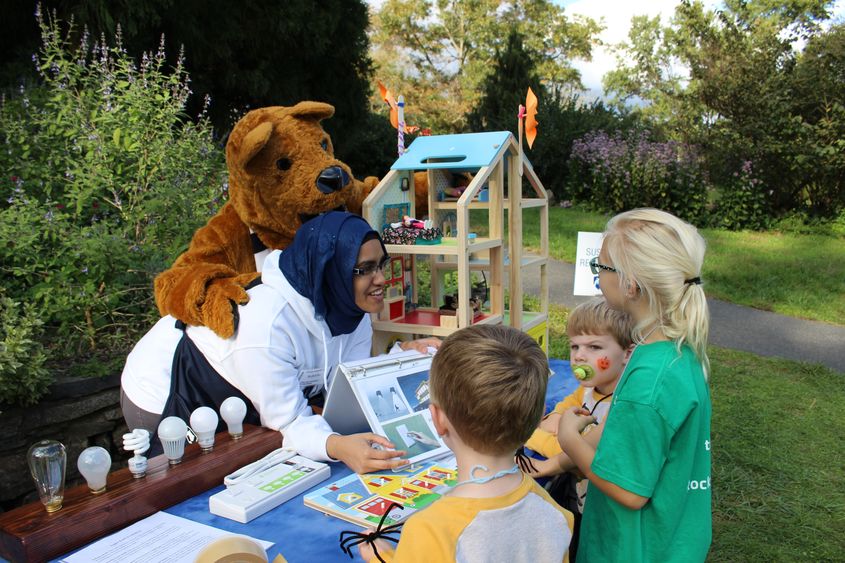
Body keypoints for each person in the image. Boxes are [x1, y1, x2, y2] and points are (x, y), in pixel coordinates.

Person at [120, 211, 439, 473]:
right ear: (330, 271)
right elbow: (287, 422)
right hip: (170, 384)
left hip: (241, 388)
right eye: (365, 269)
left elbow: (348, 382)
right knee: (186, 478)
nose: (381, 279)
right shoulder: (268, 325)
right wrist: (339, 447)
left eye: (381, 264)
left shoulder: (349, 308)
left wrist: (398, 358)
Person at [557, 208, 712, 562]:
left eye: (602, 267)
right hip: (672, 537)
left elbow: (629, 492)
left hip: (634, 548)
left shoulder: (650, 381)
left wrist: (568, 439)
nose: (598, 275)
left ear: (630, 284)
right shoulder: (675, 350)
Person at [359, 325, 575, 563]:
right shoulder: (555, 513)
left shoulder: (429, 531)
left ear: (437, 419)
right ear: (537, 419)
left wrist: (381, 557)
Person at [521, 297, 634, 560]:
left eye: (594, 346)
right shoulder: (589, 387)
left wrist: (531, 434)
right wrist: (557, 415)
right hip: (583, 497)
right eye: (575, 346)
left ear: (627, 353)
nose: (580, 355)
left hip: (606, 505)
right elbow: (568, 403)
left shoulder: (622, 403)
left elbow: (569, 448)